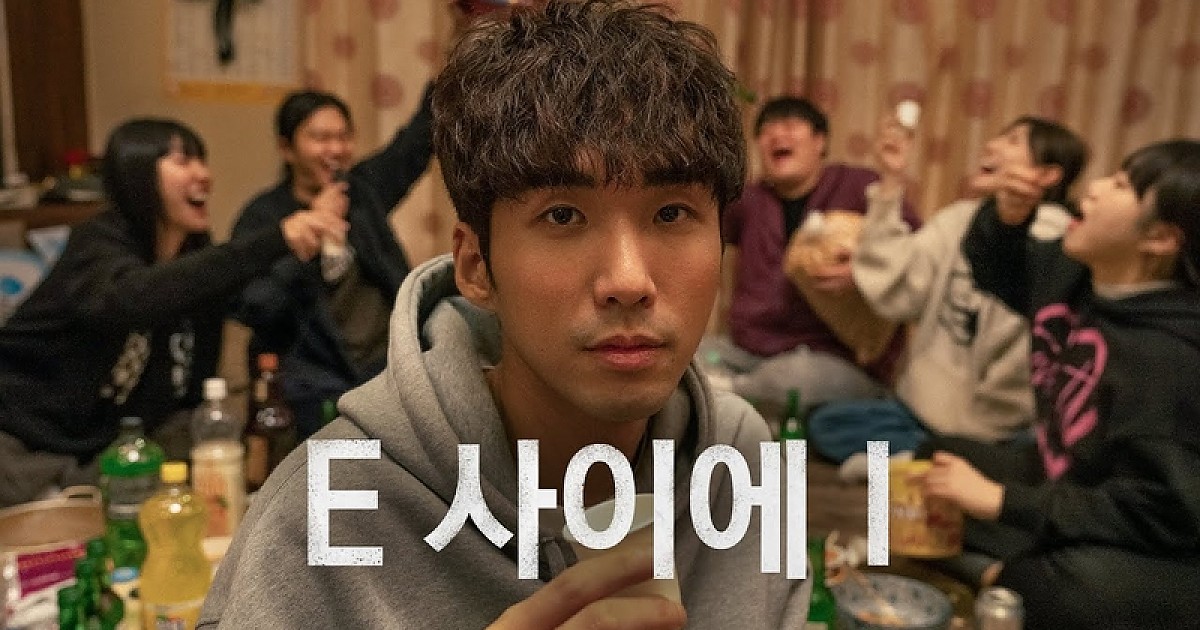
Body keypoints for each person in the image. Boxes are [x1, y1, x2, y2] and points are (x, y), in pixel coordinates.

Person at [199, 2, 810, 628]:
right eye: (563, 216)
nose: (629, 281)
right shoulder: (323, 511)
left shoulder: (743, 457)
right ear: (475, 267)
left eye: (672, 213)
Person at [921, 139, 1200, 629]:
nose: (1093, 189)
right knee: (929, 459)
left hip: (1152, 543)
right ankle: (907, 553)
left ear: (1159, 238)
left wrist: (1000, 501)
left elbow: (1159, 513)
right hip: (1066, 482)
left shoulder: (1172, 357)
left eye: (1121, 185)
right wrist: (1008, 217)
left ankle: (1000, 578)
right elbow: (995, 268)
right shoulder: (1075, 272)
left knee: (1065, 586)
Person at [0, 118, 343, 508]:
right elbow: (135, 297)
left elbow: (193, 391)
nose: (204, 175)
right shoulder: (97, 244)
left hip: (106, 454)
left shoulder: (197, 261)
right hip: (21, 443)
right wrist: (276, 238)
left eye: (202, 161)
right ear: (137, 174)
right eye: (183, 161)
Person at [809, 116, 1088, 474]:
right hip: (918, 415)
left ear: (1047, 174)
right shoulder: (960, 218)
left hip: (996, 431)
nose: (991, 145)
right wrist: (892, 179)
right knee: (824, 423)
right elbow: (897, 284)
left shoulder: (1063, 241)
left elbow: (1024, 370)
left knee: (1034, 459)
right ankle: (932, 460)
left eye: (1013, 141)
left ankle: (929, 463)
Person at [231, 77, 434, 439]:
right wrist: (309, 235)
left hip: (385, 373)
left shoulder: (360, 194)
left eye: (343, 137)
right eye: (321, 138)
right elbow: (254, 307)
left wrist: (451, 67)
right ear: (286, 148)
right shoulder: (263, 217)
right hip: (307, 389)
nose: (336, 149)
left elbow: (414, 145)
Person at [702, 96, 921, 412]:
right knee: (693, 360)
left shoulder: (861, 187)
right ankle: (732, 393)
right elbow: (699, 232)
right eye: (766, 130)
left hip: (833, 360)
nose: (777, 135)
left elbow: (916, 253)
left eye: (790, 125)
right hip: (749, 352)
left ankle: (730, 393)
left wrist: (864, 273)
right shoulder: (748, 201)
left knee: (794, 380)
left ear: (820, 142)